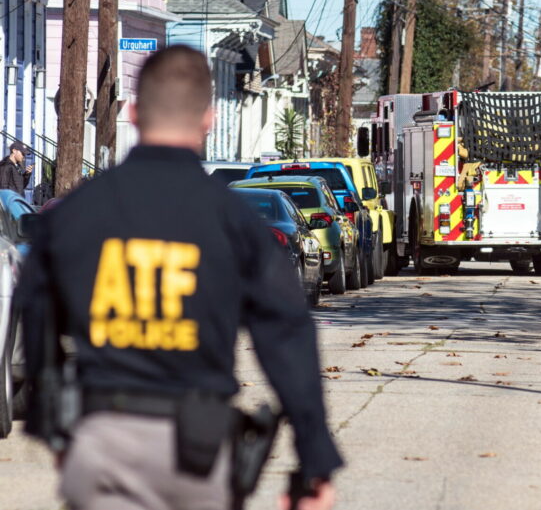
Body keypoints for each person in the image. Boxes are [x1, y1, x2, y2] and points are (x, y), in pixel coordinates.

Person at [15, 45, 341, 510]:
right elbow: (286, 334)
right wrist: (314, 459)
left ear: (133, 112)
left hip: (100, 442)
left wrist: (51, 425)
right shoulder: (235, 221)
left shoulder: (76, 213)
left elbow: (35, 309)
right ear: (207, 119)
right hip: (197, 452)